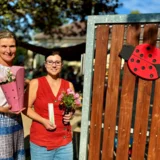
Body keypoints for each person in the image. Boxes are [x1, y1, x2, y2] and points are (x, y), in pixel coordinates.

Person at [24, 53, 74, 160]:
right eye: (50, 62)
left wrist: (70, 114)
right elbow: (25, 108)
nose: (54, 65)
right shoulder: (35, 83)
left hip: (64, 142)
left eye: (57, 62)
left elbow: (71, 108)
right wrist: (43, 120)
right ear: (45, 65)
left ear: (62, 65)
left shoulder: (68, 85)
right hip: (42, 142)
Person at [0, 30, 25, 159]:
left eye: (12, 46)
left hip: (17, 120)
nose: (8, 50)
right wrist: (2, 109)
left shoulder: (16, 70)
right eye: (4, 46)